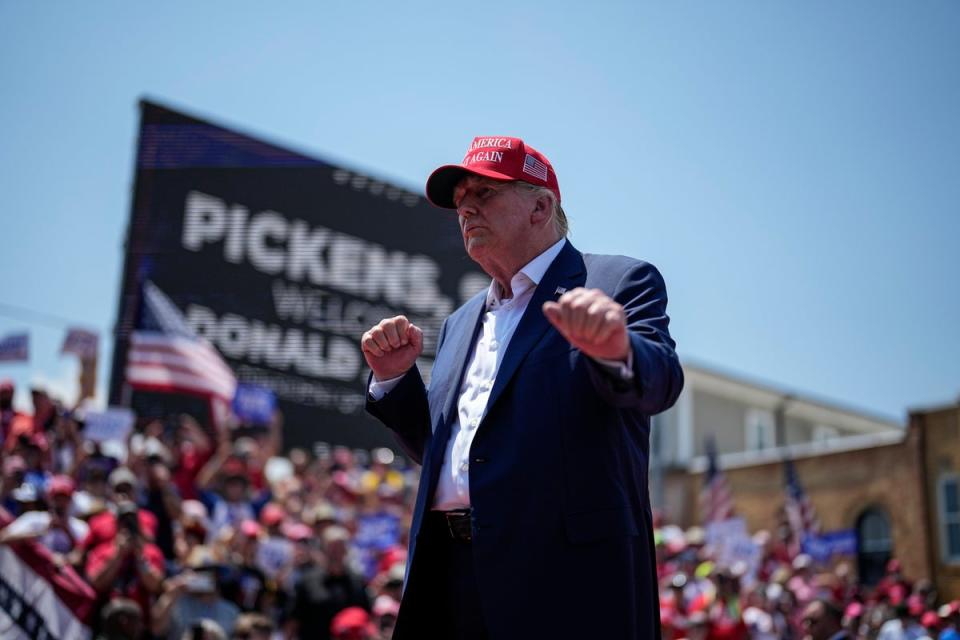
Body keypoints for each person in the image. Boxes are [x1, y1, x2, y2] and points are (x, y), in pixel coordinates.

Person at [362, 136, 683, 639]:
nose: (465, 208)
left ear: (541, 205)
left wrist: (616, 347)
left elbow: (660, 381)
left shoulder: (614, 281)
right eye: (460, 200)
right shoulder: (460, 322)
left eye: (484, 194)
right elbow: (455, 453)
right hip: (450, 577)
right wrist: (394, 380)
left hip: (562, 580)